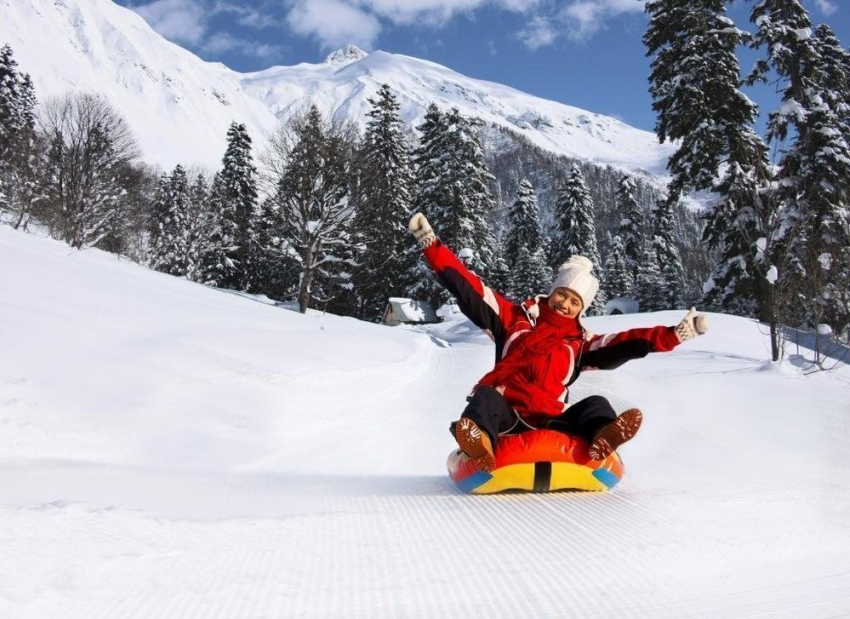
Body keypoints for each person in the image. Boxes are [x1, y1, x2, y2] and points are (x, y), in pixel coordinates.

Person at [408, 212, 709, 472]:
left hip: (553, 422)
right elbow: (470, 287)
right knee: (485, 397)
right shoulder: (513, 319)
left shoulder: (579, 343)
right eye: (562, 294)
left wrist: (675, 334)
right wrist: (431, 245)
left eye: (575, 301)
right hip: (507, 418)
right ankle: (481, 445)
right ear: (553, 291)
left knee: (597, 404)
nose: (565, 304)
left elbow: (626, 342)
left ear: (582, 308)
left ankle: (603, 438)